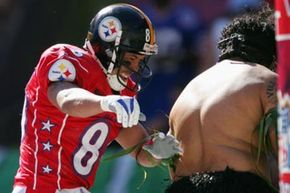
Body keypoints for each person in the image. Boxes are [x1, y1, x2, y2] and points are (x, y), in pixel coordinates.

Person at [12, 3, 182, 193]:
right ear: (109, 48)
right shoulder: (67, 59)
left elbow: (140, 151)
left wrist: (157, 151)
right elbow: (66, 99)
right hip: (39, 188)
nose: (135, 68)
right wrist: (105, 102)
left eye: (140, 60)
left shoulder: (119, 93)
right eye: (131, 58)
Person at [166, 3, 278, 193]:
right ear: (272, 58)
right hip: (238, 185)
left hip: (182, 188)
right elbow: (285, 150)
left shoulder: (191, 87)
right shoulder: (266, 79)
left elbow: (169, 157)